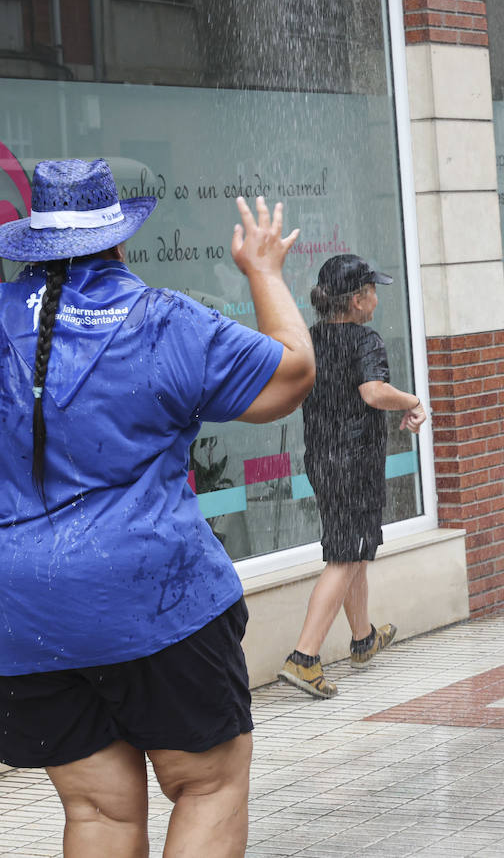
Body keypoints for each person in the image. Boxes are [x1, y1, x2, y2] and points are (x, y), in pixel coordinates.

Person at [0, 161, 314, 856]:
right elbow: (290, 377)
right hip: (157, 598)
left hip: (23, 615)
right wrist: (263, 270)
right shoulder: (162, 321)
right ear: (119, 241)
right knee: (208, 785)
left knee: (97, 813)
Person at [277, 255, 425, 698]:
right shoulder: (365, 340)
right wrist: (414, 401)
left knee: (353, 547)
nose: (377, 299)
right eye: (372, 291)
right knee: (344, 556)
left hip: (322, 460)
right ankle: (304, 658)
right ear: (357, 300)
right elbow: (374, 392)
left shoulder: (310, 339)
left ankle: (362, 638)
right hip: (355, 463)